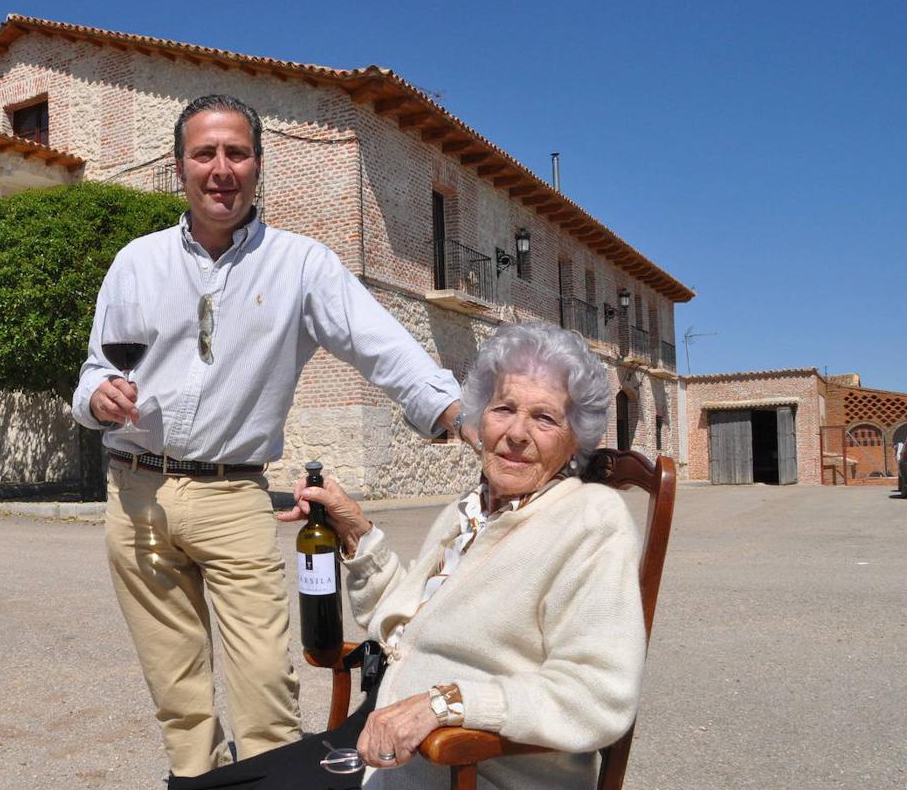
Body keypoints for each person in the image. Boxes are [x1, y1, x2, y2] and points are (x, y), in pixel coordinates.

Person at [71, 94, 466, 778]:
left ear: (258, 166)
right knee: (180, 698)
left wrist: (457, 412)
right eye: (204, 154)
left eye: (236, 153)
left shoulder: (302, 265)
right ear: (178, 168)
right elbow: (95, 370)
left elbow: (384, 347)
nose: (220, 169)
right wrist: (97, 399)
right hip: (137, 495)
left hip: (235, 496)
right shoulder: (136, 263)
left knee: (265, 696)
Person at [173, 322, 644, 789]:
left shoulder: (590, 521)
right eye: (504, 409)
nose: (517, 432)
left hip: (464, 770)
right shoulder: (475, 508)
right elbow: (405, 624)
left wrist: (445, 705)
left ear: (574, 437)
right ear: (480, 419)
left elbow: (598, 695)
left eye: (544, 418)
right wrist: (354, 529)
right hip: (382, 748)